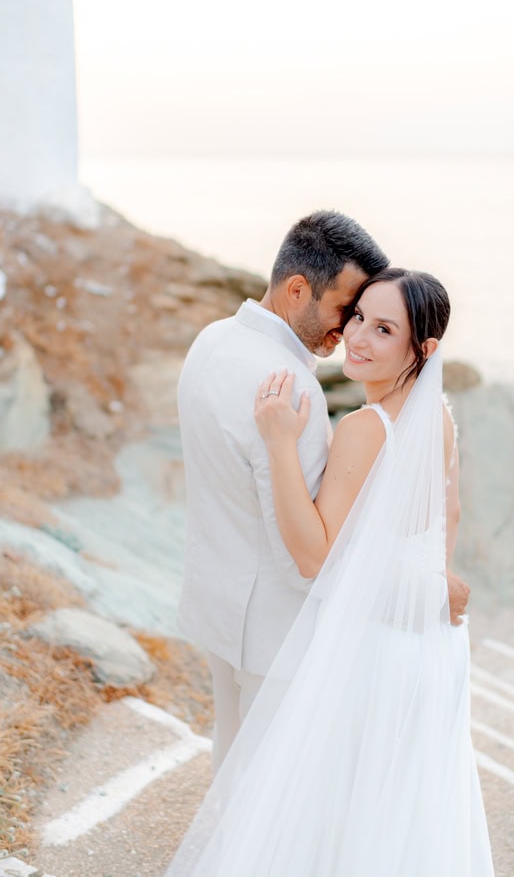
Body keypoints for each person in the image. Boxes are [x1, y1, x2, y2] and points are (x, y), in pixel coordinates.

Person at [165, 267, 494, 876]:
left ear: (422, 350)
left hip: (373, 643)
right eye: (359, 317)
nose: (358, 338)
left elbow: (315, 555)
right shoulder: (439, 417)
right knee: (402, 807)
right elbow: (445, 518)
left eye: (383, 328)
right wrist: (424, 586)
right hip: (431, 644)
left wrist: (280, 442)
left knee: (331, 812)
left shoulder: (365, 428)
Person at [177, 212, 469, 771]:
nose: (348, 333)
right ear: (296, 290)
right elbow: (314, 554)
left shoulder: (211, 341)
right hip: (277, 629)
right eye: (348, 310)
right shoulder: (294, 391)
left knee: (234, 768)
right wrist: (428, 589)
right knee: (275, 793)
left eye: (377, 323)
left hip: (216, 601)